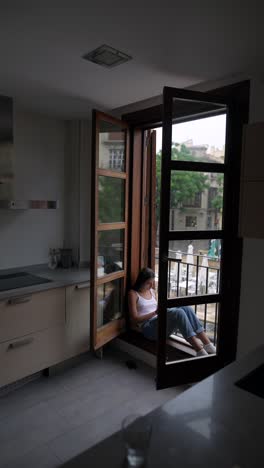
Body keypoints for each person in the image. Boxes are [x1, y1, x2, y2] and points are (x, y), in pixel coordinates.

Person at [128, 267, 216, 356]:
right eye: (148, 283)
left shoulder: (152, 291)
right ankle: (199, 350)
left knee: (185, 307)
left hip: (159, 322)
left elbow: (158, 309)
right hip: (148, 328)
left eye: (152, 282)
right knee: (178, 313)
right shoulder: (133, 294)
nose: (151, 286)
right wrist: (155, 313)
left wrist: (162, 309)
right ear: (141, 281)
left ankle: (207, 344)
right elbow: (134, 319)